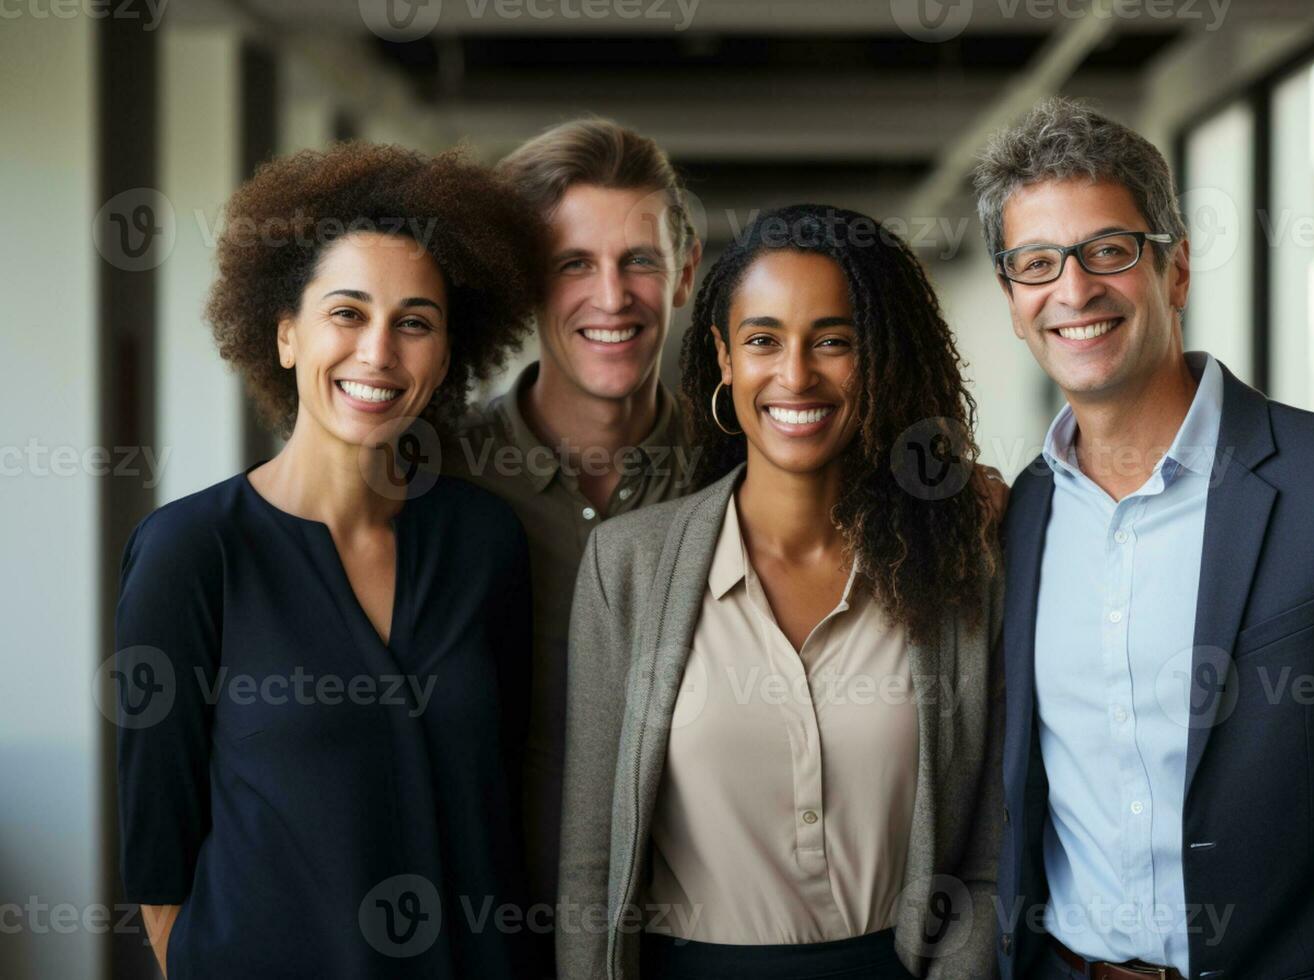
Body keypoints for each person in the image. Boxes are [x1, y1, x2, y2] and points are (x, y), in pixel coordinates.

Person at [975, 97, 1314, 979]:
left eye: (1109, 251)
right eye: (1038, 263)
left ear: (1175, 270)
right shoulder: (1022, 518)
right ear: (1015, 301)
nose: (1075, 289)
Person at [113, 143, 543, 978]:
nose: (378, 352)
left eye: (414, 322)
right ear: (284, 335)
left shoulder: (486, 543)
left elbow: (507, 799)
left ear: (447, 357)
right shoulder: (191, 553)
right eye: (347, 313)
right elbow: (159, 864)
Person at [558, 204, 1008, 980]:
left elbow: (985, 856)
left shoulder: (960, 567)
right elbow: (591, 867)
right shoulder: (625, 565)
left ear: (879, 361)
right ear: (724, 358)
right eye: (764, 340)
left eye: (834, 342)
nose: (795, 374)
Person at [446, 118, 703, 962]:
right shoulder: (435, 476)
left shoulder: (744, 475)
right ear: (524, 282)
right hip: (476, 939)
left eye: (639, 260)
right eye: (573, 265)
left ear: (683, 273)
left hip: (689, 939)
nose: (612, 295)